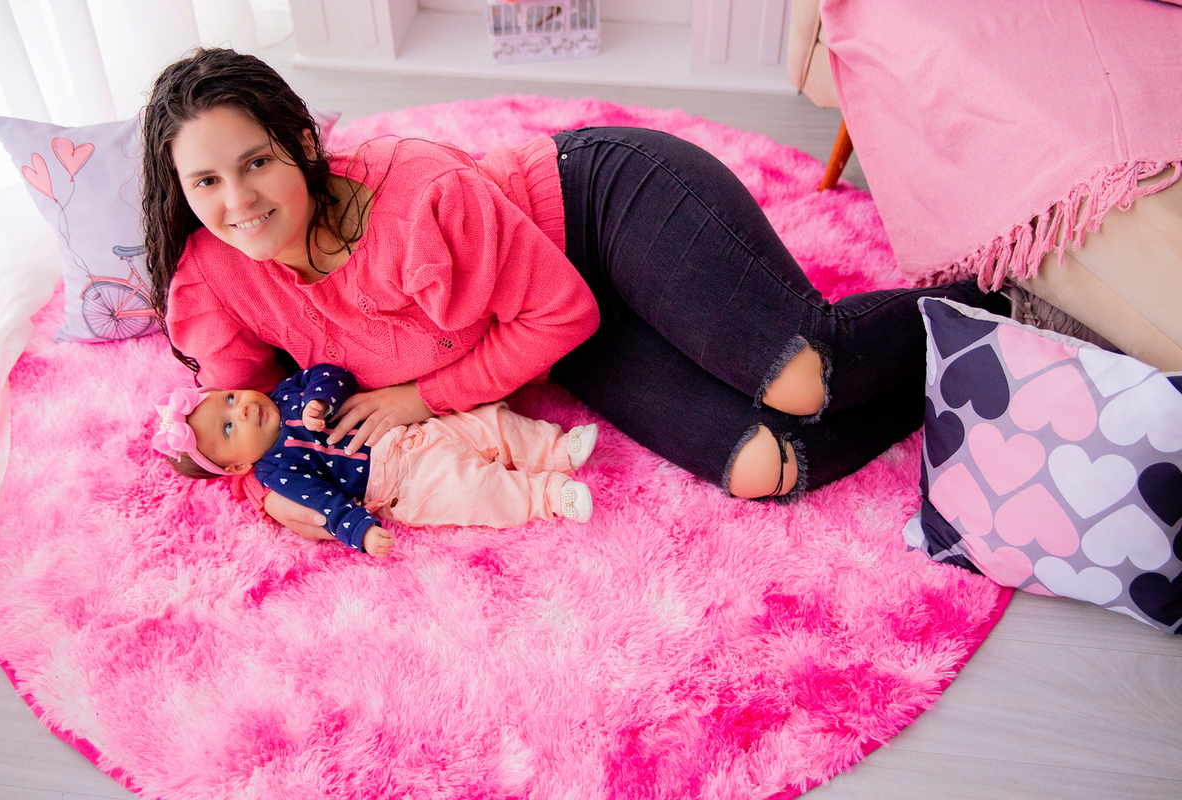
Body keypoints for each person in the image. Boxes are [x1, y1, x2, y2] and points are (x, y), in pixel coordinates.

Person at [142, 48, 1011, 541]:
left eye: (256, 162)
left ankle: (991, 294)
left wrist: (418, 396)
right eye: (206, 181)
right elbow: (233, 417)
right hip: (555, 324)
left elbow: (563, 309)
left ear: (300, 142)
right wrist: (277, 486)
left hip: (600, 209)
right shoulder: (215, 274)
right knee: (763, 469)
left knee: (803, 380)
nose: (238, 203)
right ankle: (961, 366)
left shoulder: (413, 202)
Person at [151, 364, 601, 556]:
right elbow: (323, 504)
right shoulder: (276, 471)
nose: (242, 409)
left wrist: (319, 399)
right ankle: (548, 496)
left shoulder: (285, 395)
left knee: (490, 424)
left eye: (230, 399)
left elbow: (330, 373)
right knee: (476, 492)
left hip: (407, 430)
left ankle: (556, 450)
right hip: (404, 481)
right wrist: (361, 533)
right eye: (230, 428)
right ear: (236, 467)